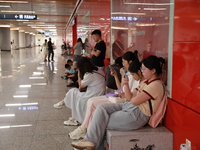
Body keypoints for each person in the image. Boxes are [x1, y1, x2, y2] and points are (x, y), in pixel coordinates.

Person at [71, 55, 165, 150]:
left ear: (153, 71)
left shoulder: (156, 85)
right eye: (142, 68)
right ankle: (90, 142)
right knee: (101, 108)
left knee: (101, 120)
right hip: (129, 107)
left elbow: (133, 100)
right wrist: (126, 83)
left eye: (144, 69)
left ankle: (90, 142)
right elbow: (129, 98)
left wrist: (130, 95)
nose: (142, 71)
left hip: (137, 115)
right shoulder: (146, 82)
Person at [69, 51, 139, 140]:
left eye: (124, 62)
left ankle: (85, 129)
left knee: (94, 104)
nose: (122, 64)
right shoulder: (128, 73)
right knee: (91, 101)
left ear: (130, 62)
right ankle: (85, 129)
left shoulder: (134, 76)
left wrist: (123, 92)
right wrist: (117, 76)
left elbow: (129, 95)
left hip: (122, 100)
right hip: (119, 95)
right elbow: (120, 88)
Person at [53, 57, 106, 125]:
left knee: (75, 96)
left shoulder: (89, 75)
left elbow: (80, 85)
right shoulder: (97, 70)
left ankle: (74, 117)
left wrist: (79, 74)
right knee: (74, 93)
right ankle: (69, 110)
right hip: (97, 93)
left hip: (93, 95)